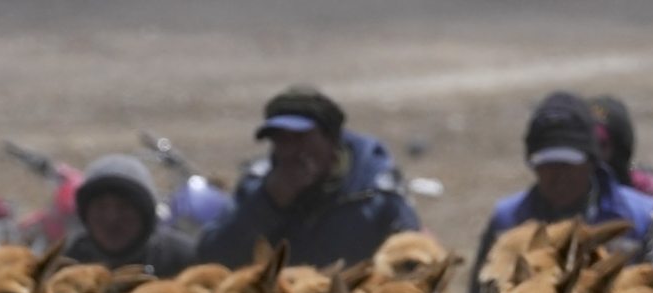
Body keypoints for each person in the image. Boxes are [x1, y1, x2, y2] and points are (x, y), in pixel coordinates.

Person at [463, 91, 653, 293]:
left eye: (568, 163)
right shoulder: (508, 223)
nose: (557, 175)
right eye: (546, 164)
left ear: (591, 161)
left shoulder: (641, 217)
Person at [196, 87, 420, 270]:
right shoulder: (257, 187)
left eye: (301, 138)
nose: (291, 151)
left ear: (331, 140)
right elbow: (213, 258)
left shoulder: (373, 193)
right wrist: (268, 204)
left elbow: (412, 260)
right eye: (281, 140)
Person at [64, 154, 196, 276]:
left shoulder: (182, 260)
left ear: (145, 214)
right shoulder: (69, 265)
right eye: (101, 207)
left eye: (124, 207)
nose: (112, 218)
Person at [588, 95, 653, 198]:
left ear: (619, 148)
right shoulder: (570, 188)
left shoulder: (642, 190)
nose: (594, 152)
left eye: (601, 145)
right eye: (588, 144)